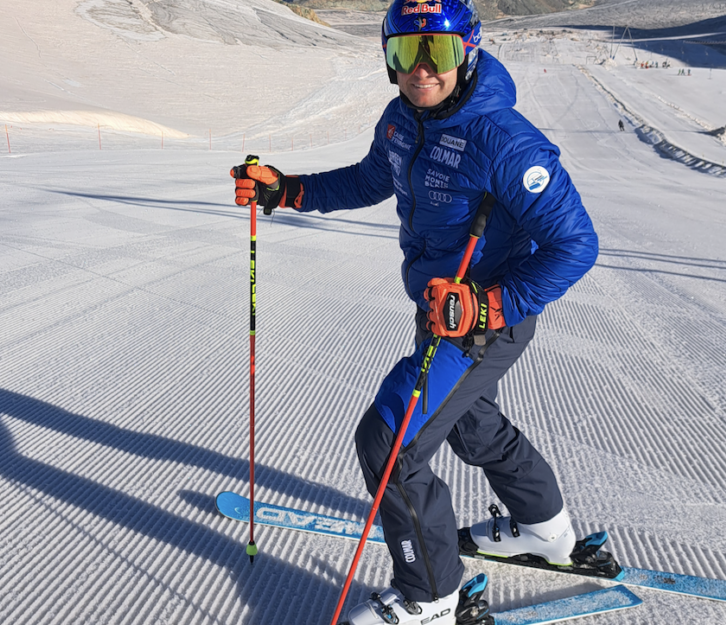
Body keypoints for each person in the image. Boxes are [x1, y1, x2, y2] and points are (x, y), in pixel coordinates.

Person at [231, 0, 601, 623]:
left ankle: (431, 595)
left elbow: (577, 244)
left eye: (439, 52)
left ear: (468, 52)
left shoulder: (505, 142)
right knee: (469, 422)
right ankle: (547, 532)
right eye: (406, 52)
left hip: (484, 319)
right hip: (441, 308)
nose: (421, 69)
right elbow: (371, 179)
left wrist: (487, 303)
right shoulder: (403, 120)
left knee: (389, 444)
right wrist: (288, 189)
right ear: (388, 59)